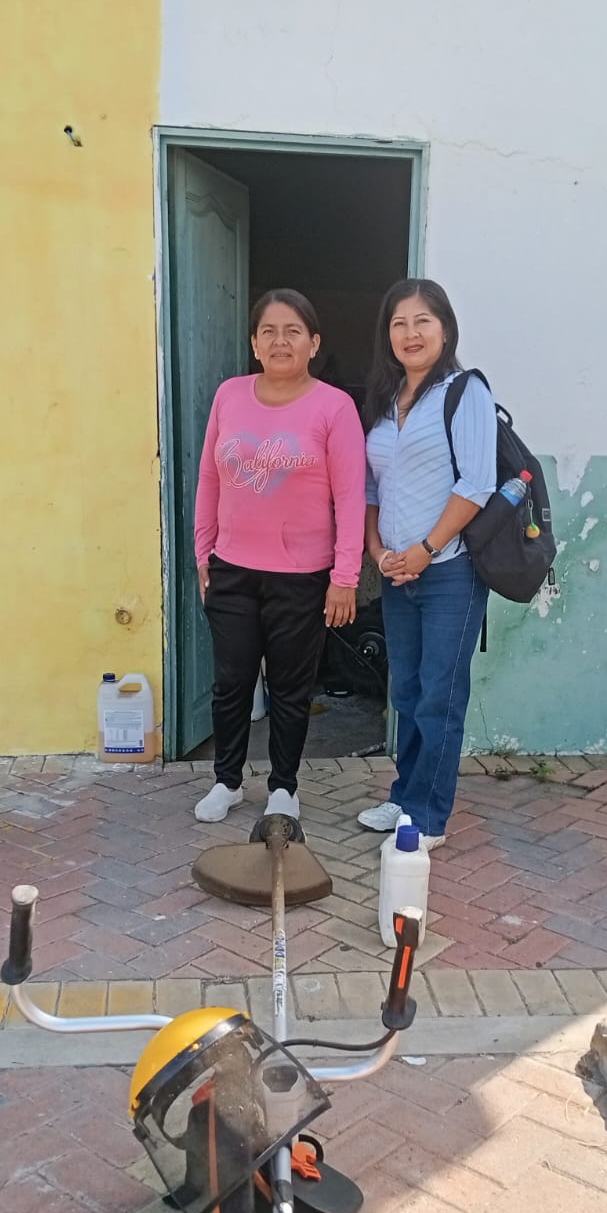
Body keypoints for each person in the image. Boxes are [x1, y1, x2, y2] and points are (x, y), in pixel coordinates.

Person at [193, 289, 365, 823]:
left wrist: (345, 575)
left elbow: (351, 497)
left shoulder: (334, 407)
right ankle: (226, 781)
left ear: (314, 343)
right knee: (231, 684)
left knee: (290, 689)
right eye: (268, 331)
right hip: (231, 569)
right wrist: (203, 553)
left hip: (302, 575)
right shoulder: (229, 395)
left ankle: (283, 788)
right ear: (254, 343)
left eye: (293, 331)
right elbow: (208, 478)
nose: (280, 341)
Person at [357, 280, 497, 848]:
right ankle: (405, 796)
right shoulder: (386, 400)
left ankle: (429, 817)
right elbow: (372, 486)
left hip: (449, 574)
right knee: (408, 694)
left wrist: (427, 549)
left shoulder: (465, 392)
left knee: (440, 695)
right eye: (399, 323)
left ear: (445, 329)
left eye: (422, 321)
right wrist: (377, 551)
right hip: (397, 574)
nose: (410, 334)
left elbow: (477, 484)